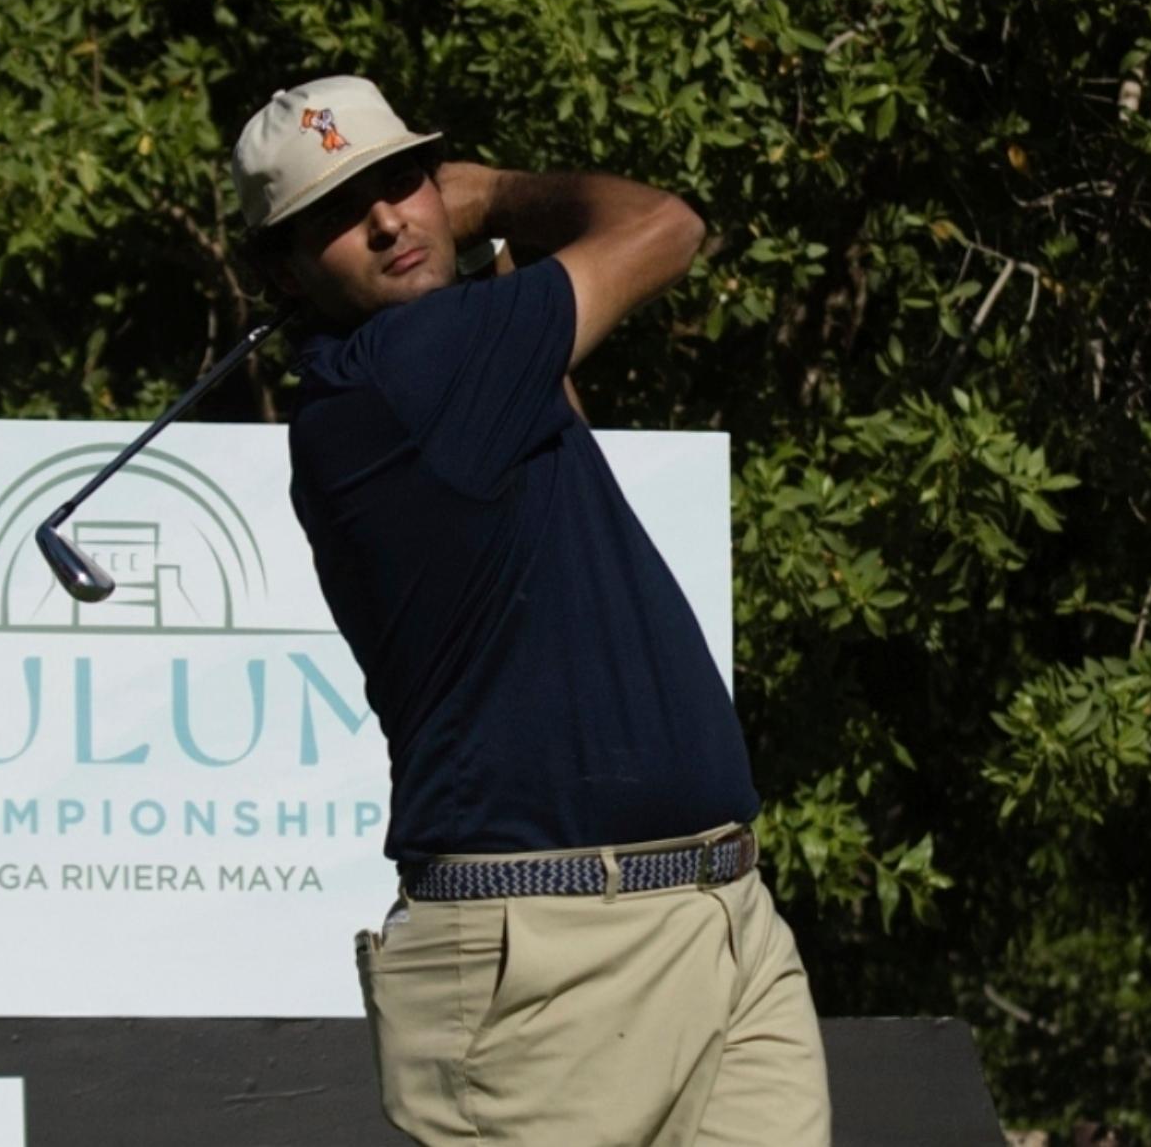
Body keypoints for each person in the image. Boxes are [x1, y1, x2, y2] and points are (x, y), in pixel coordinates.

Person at [232, 75, 833, 1146]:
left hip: (721, 915)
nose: (385, 219)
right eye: (335, 213)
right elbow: (665, 225)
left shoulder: (465, 370)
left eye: (397, 180)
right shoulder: (404, 374)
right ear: (283, 270)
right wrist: (495, 195)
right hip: (544, 964)